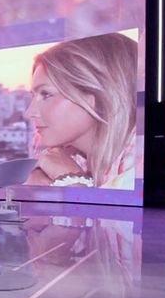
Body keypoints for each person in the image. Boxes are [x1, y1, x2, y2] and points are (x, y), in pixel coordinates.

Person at [26, 32, 138, 189]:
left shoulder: (142, 166)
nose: (29, 113)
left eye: (46, 94)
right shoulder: (70, 159)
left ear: (97, 96)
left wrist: (71, 180)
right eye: (33, 96)